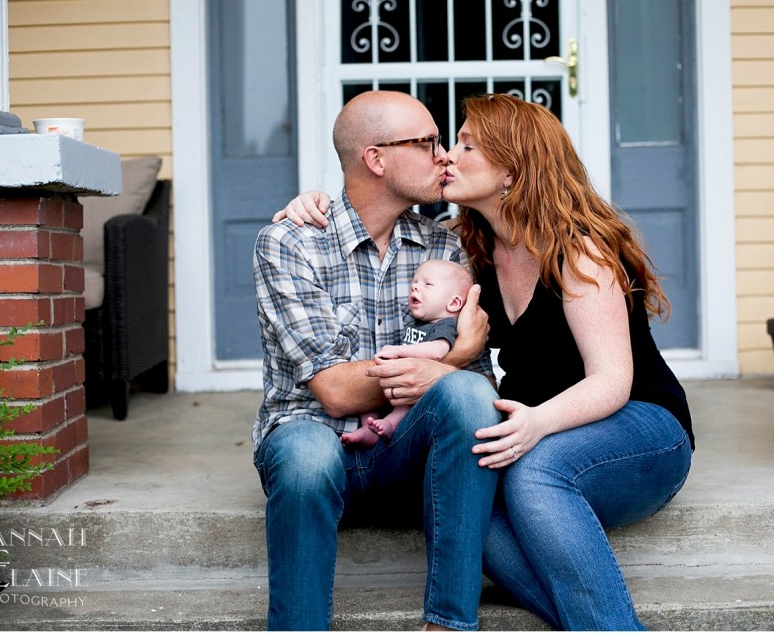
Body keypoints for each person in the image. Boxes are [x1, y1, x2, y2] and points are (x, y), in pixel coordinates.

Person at [276, 92, 695, 631]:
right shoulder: (472, 250)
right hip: (540, 432)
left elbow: (613, 379)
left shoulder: (576, 248)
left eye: (466, 145)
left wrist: (536, 422)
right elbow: (365, 219)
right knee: (476, 526)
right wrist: (312, 207)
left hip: (636, 424)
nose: (447, 155)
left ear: (512, 174)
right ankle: (597, 623)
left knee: (533, 476)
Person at [252, 90, 502, 631]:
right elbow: (336, 391)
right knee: (304, 459)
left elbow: (471, 392)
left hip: (406, 447)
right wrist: (452, 355)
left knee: (472, 395)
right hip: (312, 433)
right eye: (428, 142)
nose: (444, 156)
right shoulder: (290, 242)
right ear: (376, 158)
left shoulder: (448, 250)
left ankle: (449, 624)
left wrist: (456, 368)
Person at [343, 259, 478, 448]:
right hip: (400, 382)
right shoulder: (420, 324)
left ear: (454, 303)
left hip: (416, 394)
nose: (415, 287)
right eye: (414, 283)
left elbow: (437, 351)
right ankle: (369, 428)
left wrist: (399, 351)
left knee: (406, 403)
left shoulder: (445, 325)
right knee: (366, 401)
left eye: (427, 284)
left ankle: (390, 424)